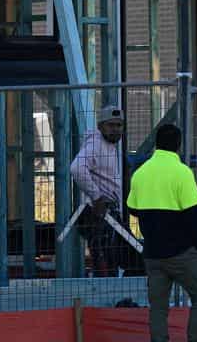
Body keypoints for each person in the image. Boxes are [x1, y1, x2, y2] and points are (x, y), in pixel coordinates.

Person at [127, 124, 197, 342]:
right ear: (179, 145)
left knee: (158, 307)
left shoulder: (140, 173)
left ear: (156, 143)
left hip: (153, 254)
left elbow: (132, 208)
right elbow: (193, 216)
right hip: (182, 252)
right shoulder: (182, 173)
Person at [69, 106, 127, 276]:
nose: (116, 129)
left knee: (112, 260)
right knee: (105, 263)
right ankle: (104, 298)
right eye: (111, 125)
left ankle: (107, 296)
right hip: (100, 214)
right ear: (100, 126)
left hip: (107, 213)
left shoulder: (108, 145)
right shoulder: (96, 144)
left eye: (119, 125)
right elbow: (77, 168)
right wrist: (97, 197)